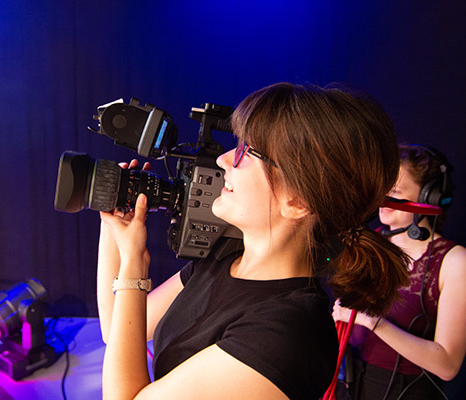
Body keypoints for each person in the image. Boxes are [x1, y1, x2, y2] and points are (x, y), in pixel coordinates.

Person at [97, 82, 409, 400]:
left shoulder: (289, 333)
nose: (224, 160)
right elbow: (114, 327)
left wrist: (134, 262)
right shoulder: (222, 260)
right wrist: (114, 224)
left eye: (247, 151)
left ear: (297, 201)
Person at [333, 144, 466, 399]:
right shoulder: (367, 247)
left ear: (428, 197)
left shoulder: (454, 261)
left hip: (406, 391)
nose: (383, 198)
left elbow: (448, 366)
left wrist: (373, 322)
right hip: (349, 383)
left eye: (394, 191)